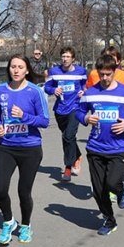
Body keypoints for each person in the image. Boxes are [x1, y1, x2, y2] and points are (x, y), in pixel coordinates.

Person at [77, 55, 124, 236]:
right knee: (98, 190)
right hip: (95, 147)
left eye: (108, 74)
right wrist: (85, 118)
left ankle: (121, 190)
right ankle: (109, 220)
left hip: (118, 148)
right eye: (101, 74)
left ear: (115, 72)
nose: (105, 78)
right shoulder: (91, 92)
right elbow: (79, 111)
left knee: (112, 183)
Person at [0, 55, 50, 246]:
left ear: (26, 70)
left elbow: (44, 121)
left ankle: (25, 225)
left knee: (23, 192)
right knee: (0, 189)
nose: (16, 70)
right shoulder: (0, 90)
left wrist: (24, 116)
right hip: (7, 147)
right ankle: (9, 221)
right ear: (9, 69)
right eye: (13, 67)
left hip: (30, 148)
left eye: (20, 67)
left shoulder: (35, 91)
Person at [44, 47, 88, 181]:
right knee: (67, 137)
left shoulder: (81, 71)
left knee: (68, 136)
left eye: (68, 56)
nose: (65, 59)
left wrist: (84, 91)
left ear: (73, 59)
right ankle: (77, 155)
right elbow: (47, 87)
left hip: (75, 108)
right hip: (60, 110)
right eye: (63, 56)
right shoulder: (54, 71)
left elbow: (87, 85)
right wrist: (53, 90)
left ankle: (68, 168)